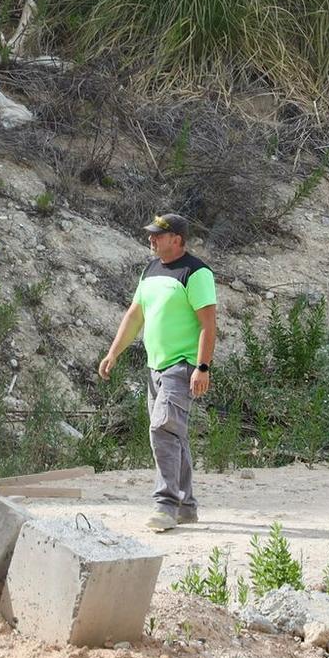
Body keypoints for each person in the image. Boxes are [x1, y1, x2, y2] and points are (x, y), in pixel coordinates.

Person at [97, 213, 218, 532]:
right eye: (151, 235)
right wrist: (113, 352)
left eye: (158, 235)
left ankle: (165, 505)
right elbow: (135, 316)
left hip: (183, 365)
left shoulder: (196, 272)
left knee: (162, 429)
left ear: (177, 239)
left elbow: (208, 324)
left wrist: (202, 366)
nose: (151, 239)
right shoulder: (150, 271)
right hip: (156, 366)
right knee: (174, 433)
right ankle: (186, 506)